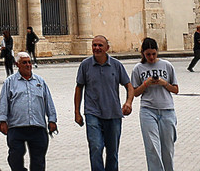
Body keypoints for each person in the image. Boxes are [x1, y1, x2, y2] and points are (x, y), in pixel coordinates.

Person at [74, 35, 134, 171]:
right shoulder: (85, 65)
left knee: (112, 152)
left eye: (100, 45)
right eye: (94, 45)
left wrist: (128, 102)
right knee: (95, 147)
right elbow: (79, 88)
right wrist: (77, 112)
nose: (97, 48)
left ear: (107, 48)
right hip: (92, 113)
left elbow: (129, 86)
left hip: (113, 114)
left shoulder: (116, 65)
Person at [0, 52, 57, 171]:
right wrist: (3, 121)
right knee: (15, 158)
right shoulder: (10, 82)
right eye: (24, 62)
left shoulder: (40, 82)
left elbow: (48, 101)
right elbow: (4, 102)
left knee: (38, 161)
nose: (28, 65)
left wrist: (52, 120)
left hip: (37, 126)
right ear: (17, 64)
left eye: (29, 62)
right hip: (16, 127)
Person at [132, 37, 178, 171]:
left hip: (167, 110)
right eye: (148, 54)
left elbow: (175, 89)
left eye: (153, 54)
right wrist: (146, 83)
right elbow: (135, 93)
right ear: (143, 54)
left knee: (167, 148)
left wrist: (164, 83)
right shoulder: (138, 68)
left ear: (157, 52)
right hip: (148, 111)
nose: (151, 57)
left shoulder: (167, 65)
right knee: (152, 147)